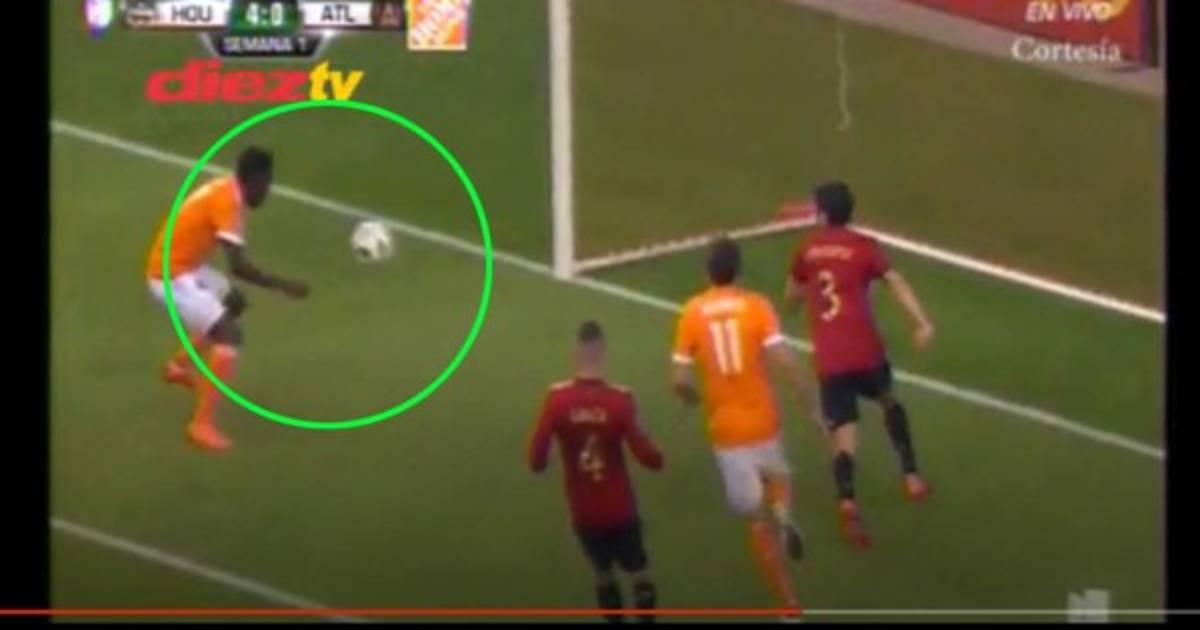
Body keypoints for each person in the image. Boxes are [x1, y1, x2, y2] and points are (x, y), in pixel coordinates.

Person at [785, 181, 935, 549]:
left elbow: (792, 296)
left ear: (822, 213)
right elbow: (895, 281)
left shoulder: (807, 250)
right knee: (889, 401)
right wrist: (921, 322)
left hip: (831, 359)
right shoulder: (864, 247)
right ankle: (912, 476)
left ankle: (848, 500)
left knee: (844, 433)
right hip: (865, 350)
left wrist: (799, 297)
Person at [671, 238, 810, 615]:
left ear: (707, 271)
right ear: (739, 271)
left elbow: (680, 379)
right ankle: (783, 511)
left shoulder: (692, 312)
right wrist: (809, 404)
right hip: (763, 418)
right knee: (779, 477)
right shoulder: (757, 307)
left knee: (756, 521)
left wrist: (690, 397)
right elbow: (786, 361)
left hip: (726, 430)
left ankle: (789, 604)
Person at [145, 147, 309, 451]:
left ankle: (178, 366)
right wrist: (283, 285)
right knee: (229, 335)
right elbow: (238, 266)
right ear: (253, 179)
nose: (267, 191)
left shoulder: (226, 189)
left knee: (234, 302)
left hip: (183, 264)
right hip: (169, 274)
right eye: (266, 183)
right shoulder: (228, 202)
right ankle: (200, 424)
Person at [529, 321, 664, 623]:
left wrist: (555, 455)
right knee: (639, 572)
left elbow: (536, 461)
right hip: (620, 507)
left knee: (603, 575)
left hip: (583, 511)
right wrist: (651, 441)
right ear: (603, 351)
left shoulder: (556, 400)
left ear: (575, 351)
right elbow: (651, 460)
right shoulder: (620, 400)